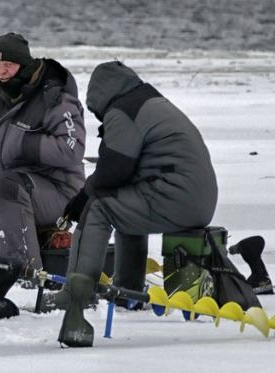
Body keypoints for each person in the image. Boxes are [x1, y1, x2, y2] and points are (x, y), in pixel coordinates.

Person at [57, 60, 218, 347]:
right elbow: (125, 174)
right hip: (198, 199)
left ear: (99, 97)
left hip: (175, 197)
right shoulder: (149, 101)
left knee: (99, 206)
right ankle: (127, 292)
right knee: (125, 206)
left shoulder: (124, 111)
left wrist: (83, 196)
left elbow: (113, 170)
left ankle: (77, 291)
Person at [0, 32, 85, 315]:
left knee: (4, 186)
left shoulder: (55, 97)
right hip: (13, 187)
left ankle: (24, 278)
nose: (1, 72)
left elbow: (71, 149)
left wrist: (23, 142)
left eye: (7, 66)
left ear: (24, 66)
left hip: (61, 192)